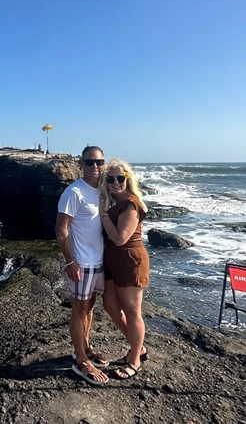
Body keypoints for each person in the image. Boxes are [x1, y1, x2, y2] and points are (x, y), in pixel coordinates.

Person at [55, 145, 109, 386]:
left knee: (89, 309)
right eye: (90, 162)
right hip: (81, 262)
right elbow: (61, 229)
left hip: (99, 261)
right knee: (79, 310)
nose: (95, 167)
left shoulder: (102, 190)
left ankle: (86, 348)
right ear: (81, 163)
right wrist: (70, 261)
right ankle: (79, 359)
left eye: (99, 162)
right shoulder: (73, 192)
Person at [99, 158, 149, 380]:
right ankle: (138, 347)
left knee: (132, 311)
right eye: (110, 178)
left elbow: (120, 238)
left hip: (129, 259)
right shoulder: (115, 201)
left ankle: (135, 360)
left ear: (128, 178)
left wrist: (102, 215)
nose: (115, 182)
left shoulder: (130, 203)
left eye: (121, 178)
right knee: (110, 306)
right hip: (111, 261)